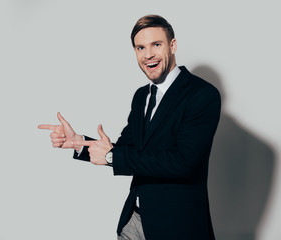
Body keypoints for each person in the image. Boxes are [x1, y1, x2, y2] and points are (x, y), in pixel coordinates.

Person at [38, 15, 220, 240]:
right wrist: (78, 143)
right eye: (140, 47)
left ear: (172, 46)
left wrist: (112, 157)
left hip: (176, 225)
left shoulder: (202, 95)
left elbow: (182, 162)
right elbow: (125, 148)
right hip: (135, 219)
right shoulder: (142, 95)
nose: (148, 54)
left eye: (156, 44)